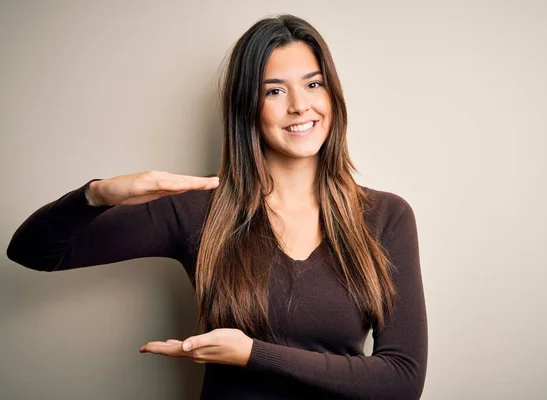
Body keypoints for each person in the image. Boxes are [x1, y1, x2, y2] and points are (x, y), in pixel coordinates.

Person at [6, 14, 427, 400]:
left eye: (313, 84)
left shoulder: (386, 217)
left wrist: (252, 355)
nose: (300, 105)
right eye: (275, 91)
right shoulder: (199, 212)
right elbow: (33, 252)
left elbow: (401, 381)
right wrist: (96, 195)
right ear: (248, 108)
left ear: (332, 95)